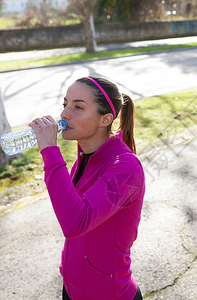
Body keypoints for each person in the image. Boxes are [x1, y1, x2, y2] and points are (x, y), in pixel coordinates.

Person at [29, 76, 145, 300]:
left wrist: (50, 153)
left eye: (78, 107)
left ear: (105, 120)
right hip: (73, 290)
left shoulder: (126, 168)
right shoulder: (84, 157)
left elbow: (75, 224)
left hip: (108, 295)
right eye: (65, 104)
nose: (64, 114)